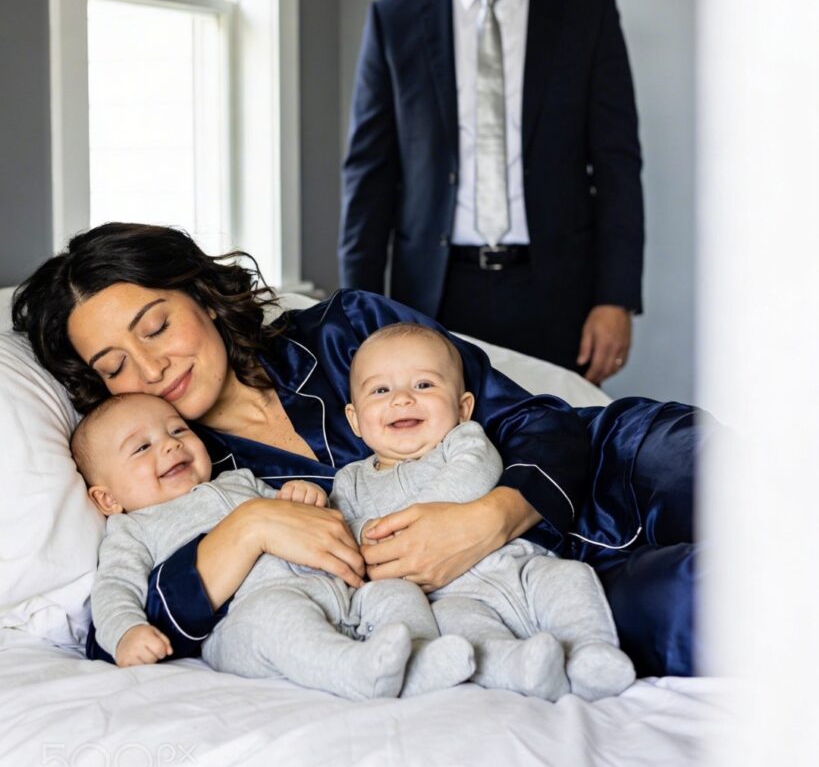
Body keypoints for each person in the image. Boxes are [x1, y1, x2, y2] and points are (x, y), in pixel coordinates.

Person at [11, 222, 695, 679]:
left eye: (157, 327)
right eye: (114, 365)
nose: (151, 368)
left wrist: (488, 518)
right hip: (544, 591)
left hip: (619, 464)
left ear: (203, 298)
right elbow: (125, 628)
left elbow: (538, 421)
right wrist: (249, 527)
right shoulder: (181, 480)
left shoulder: (346, 331)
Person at [339, 0, 644, 383]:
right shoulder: (393, 21)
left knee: (563, 435)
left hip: (559, 295)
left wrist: (615, 298)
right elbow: (369, 176)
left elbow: (618, 166)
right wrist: (358, 310)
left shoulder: (588, 15)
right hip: (431, 296)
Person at [72, 392, 475, 699]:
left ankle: (420, 659)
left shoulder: (240, 481)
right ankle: (353, 670)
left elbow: (300, 517)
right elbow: (113, 589)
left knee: (395, 592)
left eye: (178, 430)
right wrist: (126, 632)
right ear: (107, 499)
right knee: (277, 617)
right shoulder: (132, 530)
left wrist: (304, 497)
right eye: (142, 447)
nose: (170, 445)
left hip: (338, 593)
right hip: (245, 621)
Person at [332, 322, 635, 702]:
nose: (403, 399)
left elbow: (476, 471)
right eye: (381, 390)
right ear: (355, 419)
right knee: (465, 636)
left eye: (423, 385)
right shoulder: (350, 481)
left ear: (463, 408)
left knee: (570, 578)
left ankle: (591, 653)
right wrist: (356, 530)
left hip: (519, 565)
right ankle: (521, 668)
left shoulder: (462, 441)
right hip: (448, 596)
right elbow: (343, 531)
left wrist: (417, 524)